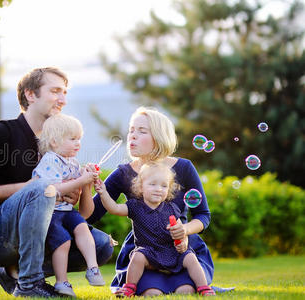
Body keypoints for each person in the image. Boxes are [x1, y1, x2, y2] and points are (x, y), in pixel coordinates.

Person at [0, 67, 113, 298]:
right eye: (55, 91)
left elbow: (79, 212)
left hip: (43, 229)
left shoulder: (58, 147)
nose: (62, 99)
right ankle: (30, 285)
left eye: (65, 93)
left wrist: (76, 189)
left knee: (101, 245)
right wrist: (37, 189)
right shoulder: (2, 132)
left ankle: (15, 273)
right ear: (31, 95)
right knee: (42, 187)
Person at [86, 106, 216, 296]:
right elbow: (91, 214)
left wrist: (185, 230)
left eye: (141, 131)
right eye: (131, 130)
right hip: (144, 250)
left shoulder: (184, 167)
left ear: (159, 136)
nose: (132, 136)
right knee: (151, 292)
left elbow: (203, 215)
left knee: (186, 290)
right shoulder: (123, 173)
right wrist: (84, 185)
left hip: (182, 247)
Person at [95, 162, 216, 296]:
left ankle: (204, 288)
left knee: (191, 257)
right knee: (137, 256)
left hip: (171, 251)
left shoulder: (172, 208)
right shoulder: (135, 206)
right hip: (149, 252)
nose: (158, 189)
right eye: (152, 184)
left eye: (164, 186)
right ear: (141, 187)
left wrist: (183, 241)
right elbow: (114, 208)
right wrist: (103, 193)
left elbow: (179, 230)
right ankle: (129, 287)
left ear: (169, 190)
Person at [32, 113, 105, 297]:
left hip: (66, 210)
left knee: (83, 228)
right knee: (63, 242)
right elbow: (53, 190)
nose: (78, 143)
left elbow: (76, 182)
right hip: (50, 213)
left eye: (79, 139)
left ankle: (93, 268)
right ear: (55, 142)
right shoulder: (50, 160)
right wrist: (81, 180)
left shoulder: (71, 161)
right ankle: (61, 282)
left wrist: (86, 174)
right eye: (72, 139)